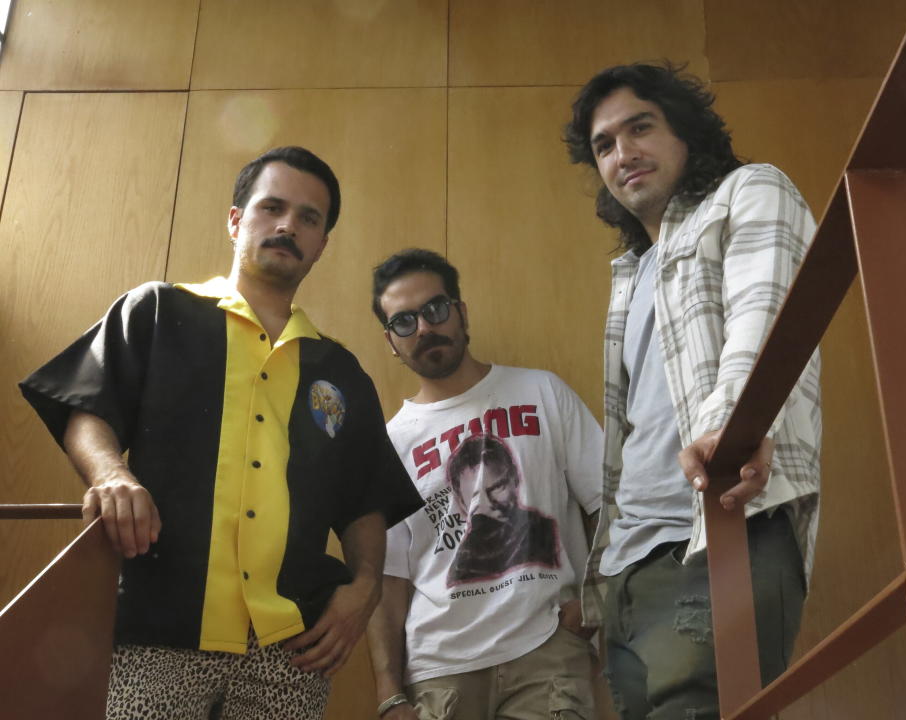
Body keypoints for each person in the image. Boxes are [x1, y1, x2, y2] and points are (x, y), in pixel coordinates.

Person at [19, 146, 424, 720]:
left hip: (291, 650)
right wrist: (110, 473)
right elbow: (89, 405)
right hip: (158, 631)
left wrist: (365, 586)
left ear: (322, 244)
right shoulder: (156, 311)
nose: (288, 226)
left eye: (309, 218)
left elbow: (365, 498)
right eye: (272, 207)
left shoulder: (340, 371)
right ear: (236, 219)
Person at [563, 63, 822, 718]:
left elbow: (763, 321)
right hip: (626, 569)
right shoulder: (631, 272)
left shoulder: (750, 191)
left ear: (685, 130)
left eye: (639, 127)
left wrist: (736, 425)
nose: (624, 154)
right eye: (604, 145)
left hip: (719, 533)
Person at [365, 248, 603, 720]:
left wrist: (597, 599)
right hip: (440, 669)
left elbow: (606, 503)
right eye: (404, 322)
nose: (425, 328)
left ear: (461, 311)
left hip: (547, 650)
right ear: (391, 341)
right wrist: (389, 693)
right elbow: (386, 580)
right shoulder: (389, 445)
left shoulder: (541, 392)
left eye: (435, 309)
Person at [446, 434, 559, 585]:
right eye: (475, 498)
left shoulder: (546, 531)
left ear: (515, 479)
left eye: (497, 488)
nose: (488, 504)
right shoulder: (462, 564)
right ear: (461, 502)